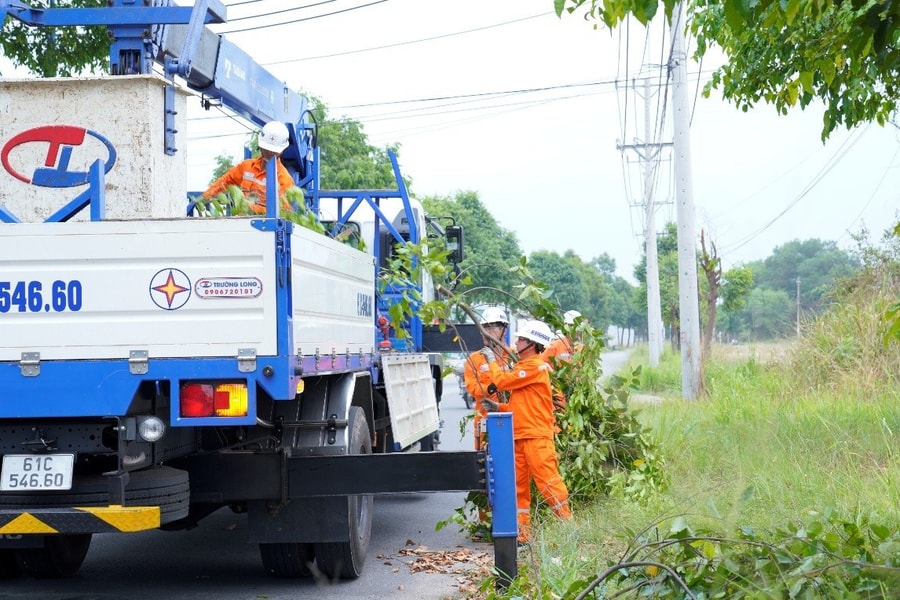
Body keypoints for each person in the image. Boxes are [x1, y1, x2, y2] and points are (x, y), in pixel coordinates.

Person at [479, 319, 572, 545]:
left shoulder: (535, 367)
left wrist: (492, 360)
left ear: (531, 344)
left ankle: (569, 527)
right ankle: (522, 535)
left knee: (548, 482)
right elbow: (520, 407)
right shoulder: (524, 368)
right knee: (519, 488)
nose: (517, 341)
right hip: (520, 436)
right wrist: (499, 408)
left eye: (521, 339)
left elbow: (501, 381)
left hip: (537, 438)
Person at [202, 121, 296, 214]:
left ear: (282, 151)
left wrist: (250, 208)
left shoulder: (284, 179)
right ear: (260, 146)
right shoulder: (246, 167)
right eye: (267, 149)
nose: (270, 153)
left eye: (273, 151)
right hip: (242, 224)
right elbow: (225, 181)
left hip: (266, 227)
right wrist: (207, 196)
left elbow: (283, 211)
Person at [463, 306, 511, 451]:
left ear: (504, 330)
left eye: (492, 327)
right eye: (484, 327)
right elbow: (472, 387)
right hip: (485, 420)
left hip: (512, 418)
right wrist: (490, 388)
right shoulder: (474, 359)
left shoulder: (515, 357)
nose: (486, 332)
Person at [542, 309, 584, 410]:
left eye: (579, 327)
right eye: (573, 326)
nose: (577, 330)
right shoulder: (555, 346)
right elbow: (541, 364)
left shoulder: (581, 349)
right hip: (558, 395)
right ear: (567, 327)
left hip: (576, 394)